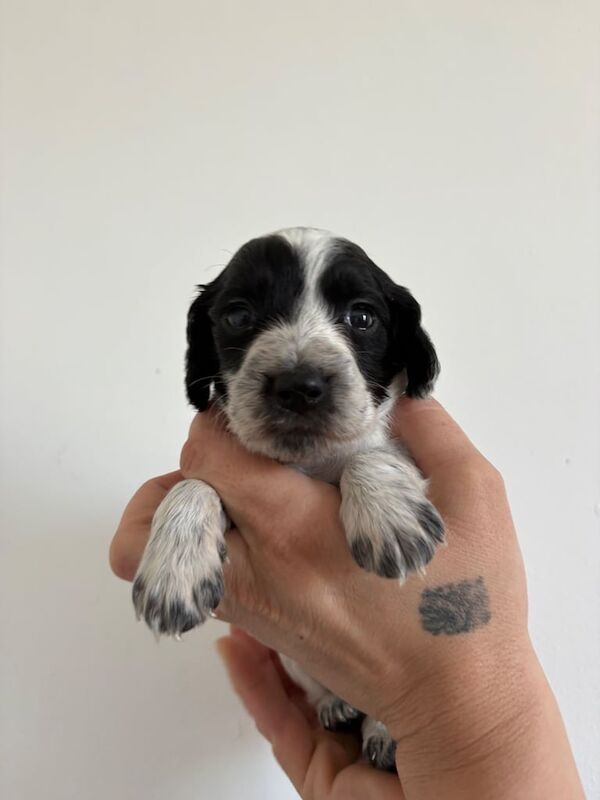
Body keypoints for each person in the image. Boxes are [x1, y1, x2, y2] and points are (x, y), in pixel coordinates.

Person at [110, 397, 584, 799]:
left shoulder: (386, 443)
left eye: (357, 319)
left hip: (390, 734)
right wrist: (192, 509)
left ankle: (378, 720)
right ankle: (336, 704)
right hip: (322, 711)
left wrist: (437, 705)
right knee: (198, 493)